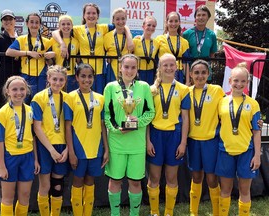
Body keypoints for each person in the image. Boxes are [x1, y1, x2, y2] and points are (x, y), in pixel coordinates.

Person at [103, 54, 155, 216]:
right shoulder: (110, 87)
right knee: (115, 180)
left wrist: (136, 122)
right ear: (120, 67)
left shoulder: (144, 86)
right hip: (117, 141)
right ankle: (115, 214)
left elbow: (150, 112)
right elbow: (106, 115)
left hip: (137, 143)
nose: (129, 70)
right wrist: (117, 128)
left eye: (133, 67)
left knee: (135, 181)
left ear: (137, 69)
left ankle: (134, 214)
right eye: (126, 67)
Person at [52, 3, 133, 94]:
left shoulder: (104, 28)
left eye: (94, 13)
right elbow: (55, 32)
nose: (91, 16)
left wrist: (129, 37)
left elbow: (122, 25)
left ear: (98, 16)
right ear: (84, 15)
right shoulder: (78, 29)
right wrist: (62, 44)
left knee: (99, 96)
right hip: (84, 71)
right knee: (83, 96)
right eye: (88, 13)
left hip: (100, 72)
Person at [146, 53, 190, 216]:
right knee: (154, 177)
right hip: (156, 136)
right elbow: (148, 119)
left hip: (174, 137)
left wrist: (183, 142)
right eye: (165, 65)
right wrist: (148, 141)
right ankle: (154, 211)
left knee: (172, 177)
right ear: (159, 68)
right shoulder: (151, 90)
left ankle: (169, 212)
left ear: (176, 67)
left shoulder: (183, 89)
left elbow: (185, 118)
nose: (169, 68)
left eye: (172, 64)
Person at [216, 63, 261, 216]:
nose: (239, 84)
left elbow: (256, 130)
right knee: (225, 190)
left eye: (243, 81)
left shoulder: (253, 104)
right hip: (225, 151)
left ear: (247, 83)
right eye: (236, 80)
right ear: (230, 81)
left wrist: (256, 155)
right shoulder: (221, 102)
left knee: (244, 190)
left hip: (246, 152)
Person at [64, 63, 109, 216]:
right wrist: (71, 151)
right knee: (77, 181)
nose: (86, 79)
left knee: (90, 181)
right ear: (76, 77)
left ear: (94, 78)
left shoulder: (100, 98)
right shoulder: (70, 97)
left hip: (95, 148)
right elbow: (67, 127)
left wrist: (106, 149)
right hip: (78, 149)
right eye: (83, 76)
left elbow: (103, 126)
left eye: (90, 76)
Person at [0, 76, 39, 215]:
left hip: (28, 157)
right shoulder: (2, 113)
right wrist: (2, 166)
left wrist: (35, 159)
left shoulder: (30, 110)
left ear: (27, 90)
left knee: (25, 196)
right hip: (9, 158)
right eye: (14, 89)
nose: (19, 93)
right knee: (8, 197)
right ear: (7, 91)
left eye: (22, 89)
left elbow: (33, 137)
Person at [187, 60, 225, 216]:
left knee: (211, 179)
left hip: (211, 141)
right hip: (193, 141)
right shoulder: (186, 91)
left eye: (203, 72)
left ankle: (216, 212)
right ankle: (193, 212)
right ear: (190, 74)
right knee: (196, 177)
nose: (200, 76)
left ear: (208, 74)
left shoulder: (216, 90)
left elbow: (228, 109)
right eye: (196, 72)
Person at [31, 65, 69, 216]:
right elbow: (37, 128)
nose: (57, 83)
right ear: (48, 79)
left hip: (63, 146)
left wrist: (67, 148)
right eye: (54, 79)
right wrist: (51, 150)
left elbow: (71, 126)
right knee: (45, 184)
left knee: (58, 185)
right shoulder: (38, 98)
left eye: (61, 80)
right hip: (45, 146)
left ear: (65, 81)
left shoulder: (68, 98)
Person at [6, 13, 54, 103]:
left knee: (39, 102)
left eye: (37, 22)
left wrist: (50, 56)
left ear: (40, 25)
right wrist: (28, 53)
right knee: (24, 101)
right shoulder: (21, 39)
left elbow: (51, 62)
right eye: (32, 22)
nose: (34, 25)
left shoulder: (47, 41)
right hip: (26, 75)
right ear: (27, 23)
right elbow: (9, 52)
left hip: (41, 75)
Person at [0, 9, 21, 101]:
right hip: (5, 75)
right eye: (5, 19)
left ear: (15, 21)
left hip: (20, 73)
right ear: (2, 22)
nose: (8, 21)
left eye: (10, 19)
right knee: (6, 101)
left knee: (19, 100)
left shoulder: (20, 37)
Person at [182, 5, 217, 82]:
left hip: (205, 72)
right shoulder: (186, 34)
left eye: (204, 15)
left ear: (208, 17)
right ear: (195, 18)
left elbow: (212, 54)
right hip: (191, 72)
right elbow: (183, 53)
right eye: (198, 15)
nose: (201, 17)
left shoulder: (212, 35)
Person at [155, 12, 190, 85]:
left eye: (176, 21)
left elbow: (186, 63)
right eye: (171, 21)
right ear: (166, 23)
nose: (173, 24)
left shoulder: (184, 42)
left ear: (179, 22)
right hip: (163, 72)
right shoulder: (159, 39)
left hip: (178, 73)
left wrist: (187, 81)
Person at [104, 8, 134, 84]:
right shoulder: (107, 36)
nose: (120, 22)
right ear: (113, 21)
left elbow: (131, 48)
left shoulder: (129, 36)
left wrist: (128, 34)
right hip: (112, 71)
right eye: (117, 19)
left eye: (123, 19)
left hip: (127, 70)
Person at [50, 15, 79, 92]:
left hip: (71, 76)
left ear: (72, 26)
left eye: (68, 24)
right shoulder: (53, 40)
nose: (66, 26)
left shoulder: (76, 42)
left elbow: (78, 60)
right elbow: (49, 60)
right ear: (59, 26)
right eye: (63, 24)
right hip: (57, 76)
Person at [133, 16, 159, 85]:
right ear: (143, 26)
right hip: (138, 71)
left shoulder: (156, 43)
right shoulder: (135, 41)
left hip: (151, 72)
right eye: (149, 25)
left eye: (153, 26)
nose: (151, 27)